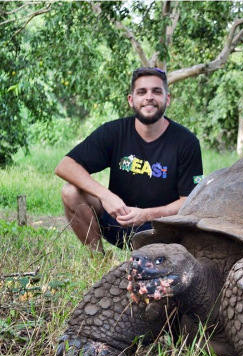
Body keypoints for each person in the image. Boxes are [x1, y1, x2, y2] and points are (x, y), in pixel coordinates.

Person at [55, 67, 203, 254]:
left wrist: (146, 214)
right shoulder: (114, 132)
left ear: (167, 99)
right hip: (118, 221)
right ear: (131, 100)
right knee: (70, 192)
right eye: (142, 92)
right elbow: (65, 166)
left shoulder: (186, 142)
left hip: (164, 234)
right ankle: (97, 259)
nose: (149, 97)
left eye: (156, 91)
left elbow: (190, 201)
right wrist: (105, 195)